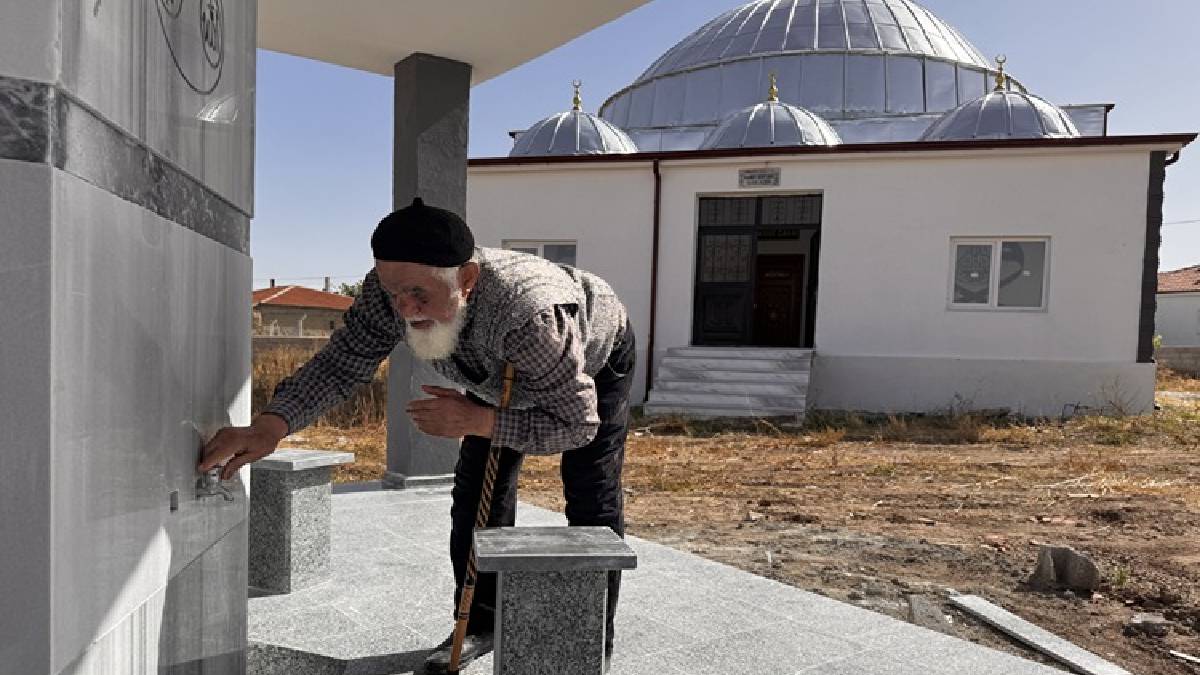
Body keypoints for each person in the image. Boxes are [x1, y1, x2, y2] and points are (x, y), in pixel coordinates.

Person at [197, 197, 634, 674]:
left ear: (465, 279)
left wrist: (478, 421)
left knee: (591, 490)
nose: (404, 308)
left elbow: (576, 424)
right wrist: (270, 426)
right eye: (393, 292)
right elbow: (341, 365)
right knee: (477, 494)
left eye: (419, 295)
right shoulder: (390, 295)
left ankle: (591, 635)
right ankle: (480, 624)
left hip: (592, 358)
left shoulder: (530, 315)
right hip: (494, 373)